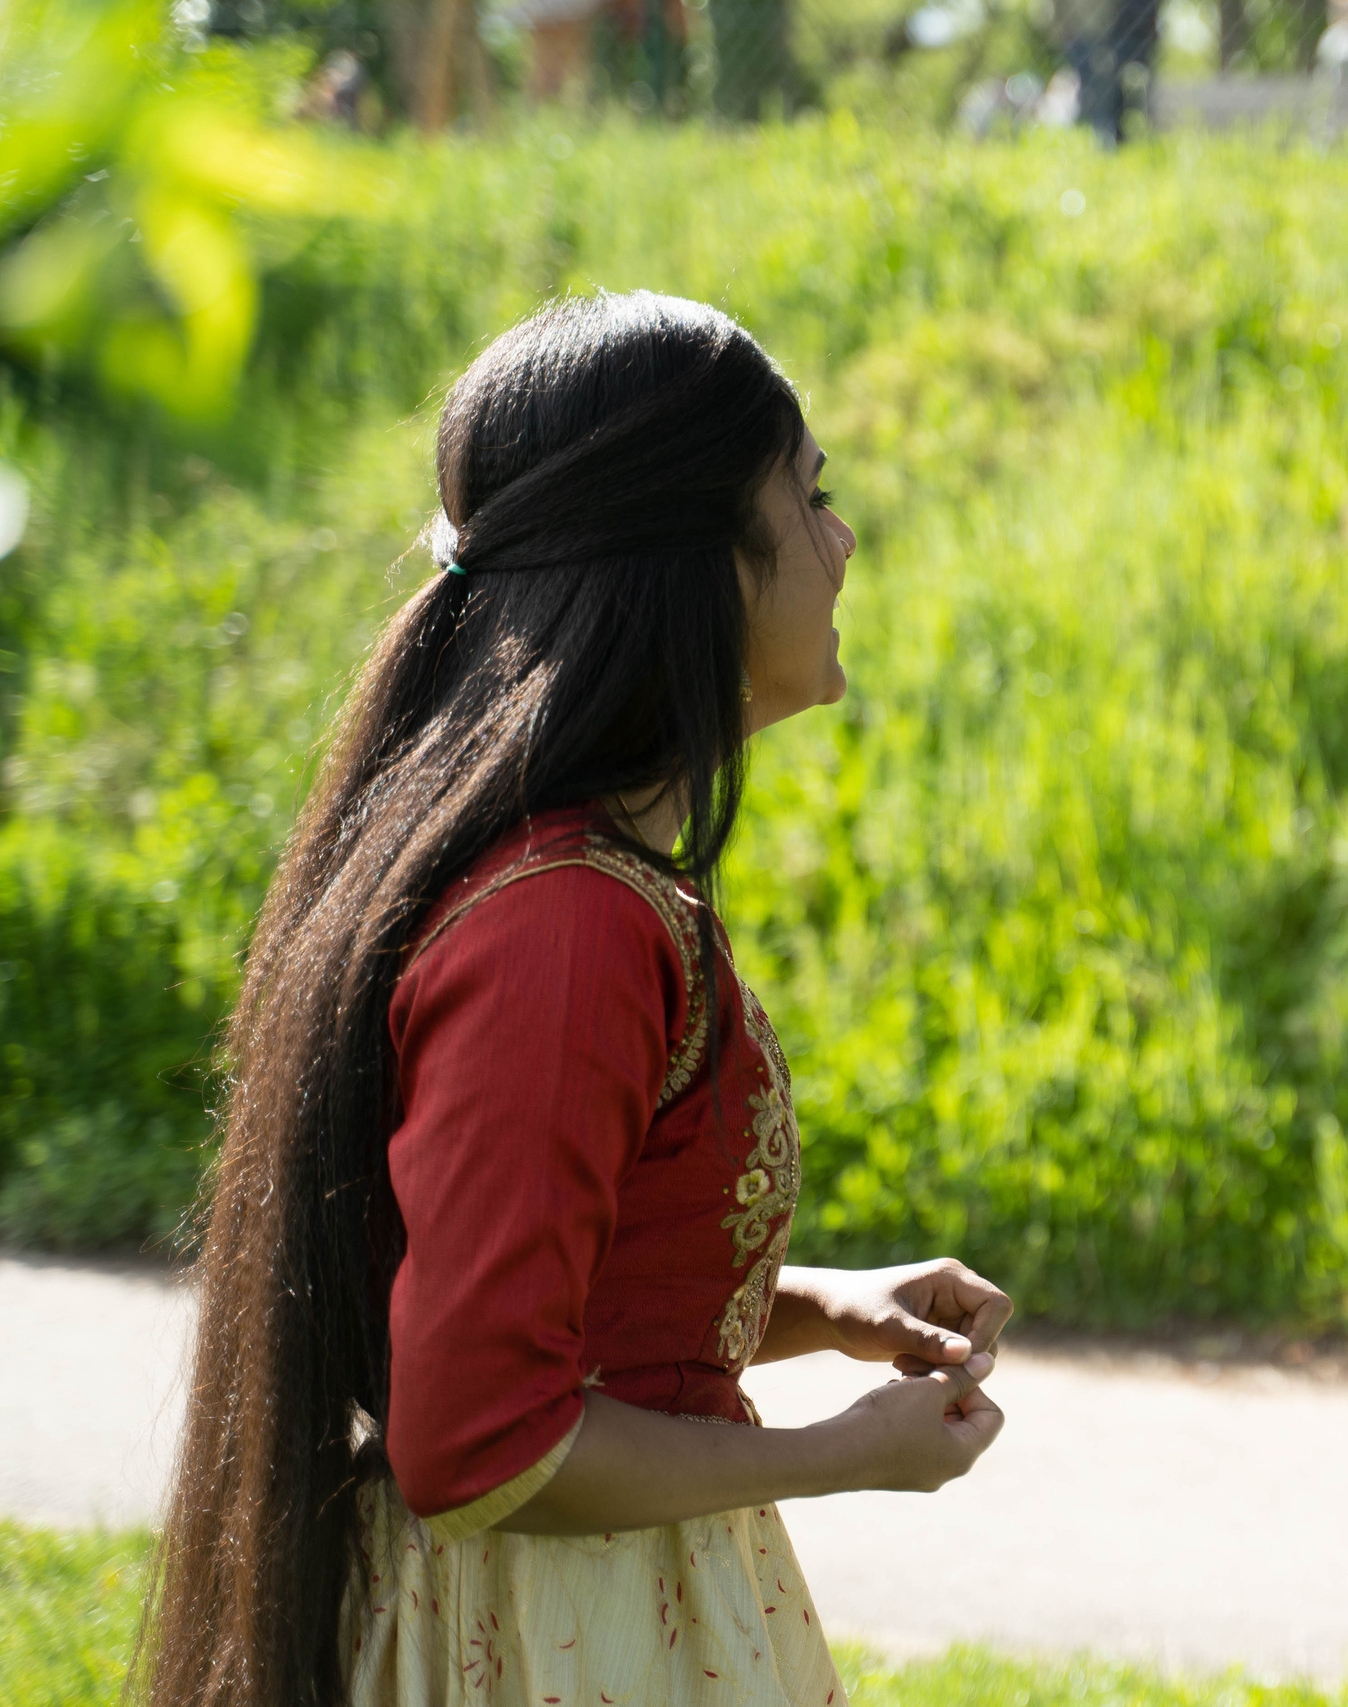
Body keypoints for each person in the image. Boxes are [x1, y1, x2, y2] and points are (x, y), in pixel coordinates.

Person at [141, 292, 1012, 1707]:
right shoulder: (561, 928)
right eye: (813, 498)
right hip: (552, 1640)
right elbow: (479, 1435)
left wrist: (813, 1307)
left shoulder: (583, 889)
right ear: (698, 562)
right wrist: (843, 1450)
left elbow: (563, 1303)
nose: (843, 544)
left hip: (603, 1607)